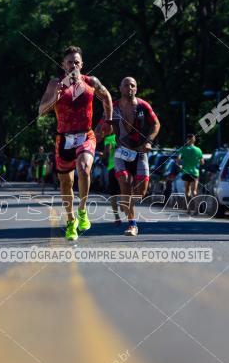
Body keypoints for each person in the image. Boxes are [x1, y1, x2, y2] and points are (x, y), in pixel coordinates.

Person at [38, 46, 113, 241]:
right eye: (69, 62)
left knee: (84, 168)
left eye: (77, 62)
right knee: (66, 183)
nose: (73, 65)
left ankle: (82, 210)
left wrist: (109, 120)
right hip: (64, 138)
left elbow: (106, 97)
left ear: (82, 65)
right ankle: (71, 220)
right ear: (63, 65)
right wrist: (55, 97)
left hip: (86, 135)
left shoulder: (91, 82)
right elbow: (41, 110)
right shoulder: (55, 83)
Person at [112, 76, 161, 236]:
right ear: (120, 88)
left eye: (133, 85)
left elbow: (156, 124)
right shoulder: (113, 107)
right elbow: (102, 126)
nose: (130, 88)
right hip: (121, 152)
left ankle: (125, 202)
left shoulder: (143, 106)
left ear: (136, 89)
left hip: (140, 152)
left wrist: (149, 141)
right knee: (125, 184)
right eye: (126, 85)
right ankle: (132, 225)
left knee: (142, 192)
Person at [176, 133, 204, 215]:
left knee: (187, 191)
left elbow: (178, 160)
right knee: (194, 191)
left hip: (186, 172)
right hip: (195, 173)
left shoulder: (183, 149)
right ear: (194, 140)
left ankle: (188, 209)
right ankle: (196, 209)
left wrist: (180, 165)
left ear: (187, 140)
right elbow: (202, 162)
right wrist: (196, 161)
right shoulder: (198, 150)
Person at [101, 132, 121, 224]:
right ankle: (123, 205)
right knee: (124, 190)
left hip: (112, 167)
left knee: (113, 194)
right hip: (123, 167)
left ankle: (117, 217)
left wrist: (103, 158)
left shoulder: (109, 139)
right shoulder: (124, 137)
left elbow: (106, 152)